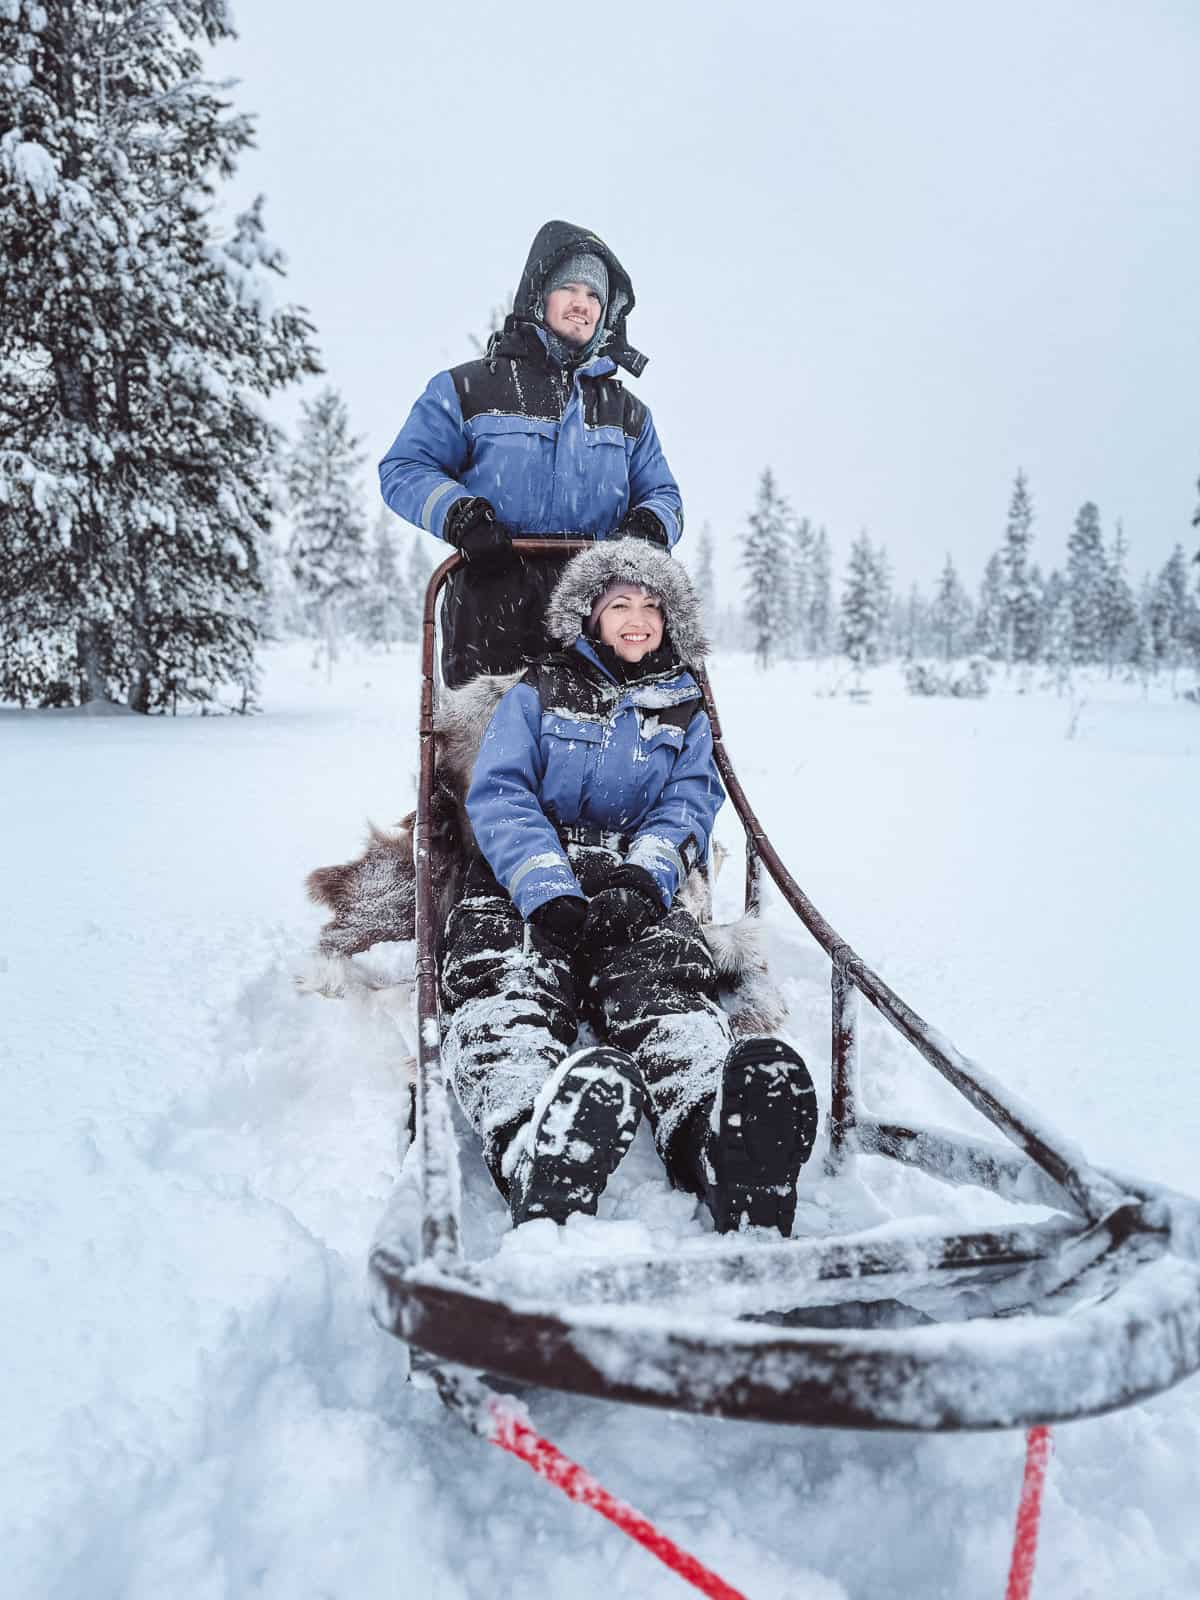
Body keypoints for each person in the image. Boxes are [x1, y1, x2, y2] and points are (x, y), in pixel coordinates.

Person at [440, 538, 819, 1232]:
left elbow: (687, 806)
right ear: (589, 615)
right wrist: (545, 886)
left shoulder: (684, 707)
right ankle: (530, 1145)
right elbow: (500, 795)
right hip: (525, 881)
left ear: (672, 622)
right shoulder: (537, 692)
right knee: (507, 983)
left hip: (630, 884)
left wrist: (645, 883)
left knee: (667, 990)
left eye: (652, 606)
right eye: (620, 604)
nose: (637, 617)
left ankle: (718, 1143)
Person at [378, 220, 684, 687]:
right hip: (491, 598)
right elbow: (404, 468)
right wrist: (461, 515)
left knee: (594, 751)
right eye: (570, 288)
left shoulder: (627, 413)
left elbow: (663, 495)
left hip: (598, 608)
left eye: (595, 296)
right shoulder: (469, 388)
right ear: (539, 295)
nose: (583, 304)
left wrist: (647, 526)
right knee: (490, 751)